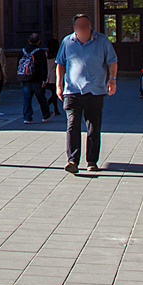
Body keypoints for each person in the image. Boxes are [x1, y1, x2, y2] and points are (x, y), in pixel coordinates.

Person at [55, 13, 118, 174]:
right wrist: (59, 85)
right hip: (72, 91)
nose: (83, 28)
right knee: (72, 126)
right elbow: (60, 64)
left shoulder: (102, 41)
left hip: (95, 91)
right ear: (75, 28)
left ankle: (92, 161)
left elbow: (112, 61)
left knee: (94, 127)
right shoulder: (67, 42)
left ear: (90, 26)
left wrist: (112, 79)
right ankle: (72, 160)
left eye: (86, 25)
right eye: (80, 26)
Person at [20, 33, 52, 123]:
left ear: (29, 41)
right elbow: (43, 66)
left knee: (27, 98)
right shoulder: (40, 52)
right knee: (41, 98)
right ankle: (46, 115)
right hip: (37, 78)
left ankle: (27, 117)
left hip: (25, 78)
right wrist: (44, 79)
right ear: (39, 41)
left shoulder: (23, 51)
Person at [42, 38, 62, 116]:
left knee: (54, 94)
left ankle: (55, 109)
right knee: (55, 94)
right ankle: (46, 105)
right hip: (55, 76)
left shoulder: (46, 54)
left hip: (48, 76)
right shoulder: (57, 55)